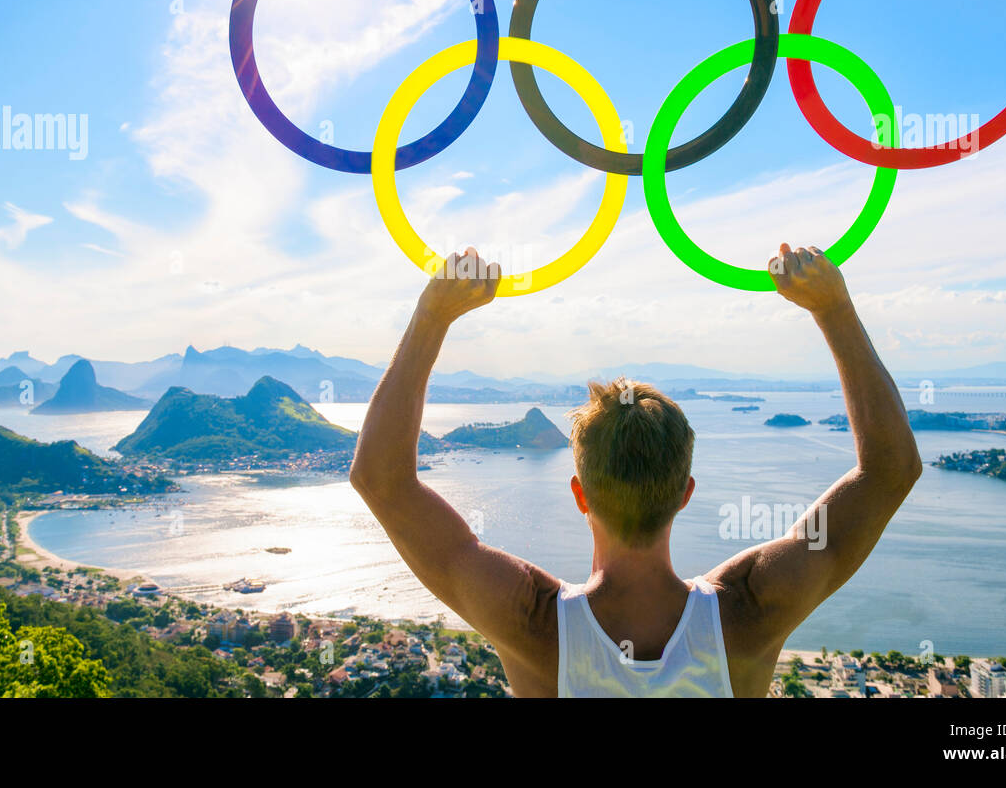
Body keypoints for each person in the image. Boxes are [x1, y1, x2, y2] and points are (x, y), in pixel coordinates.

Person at [349, 244, 921, 697]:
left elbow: (381, 479)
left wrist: (433, 315)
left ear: (579, 493)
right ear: (685, 493)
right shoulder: (748, 611)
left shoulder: (533, 624)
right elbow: (890, 471)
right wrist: (832, 307)